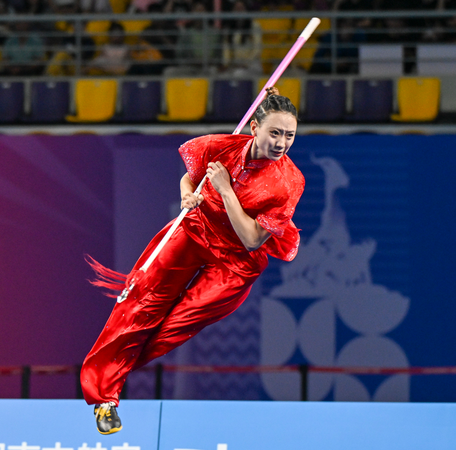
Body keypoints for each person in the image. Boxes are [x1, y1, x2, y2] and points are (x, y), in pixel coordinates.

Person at [82, 88, 304, 435]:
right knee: (141, 304)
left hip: (236, 262)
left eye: (289, 135)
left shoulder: (288, 183)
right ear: (255, 127)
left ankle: (111, 369)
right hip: (196, 227)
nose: (281, 143)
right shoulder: (219, 146)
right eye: (275, 132)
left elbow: (251, 239)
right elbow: (192, 177)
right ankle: (105, 398)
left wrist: (225, 189)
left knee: (171, 327)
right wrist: (188, 194)